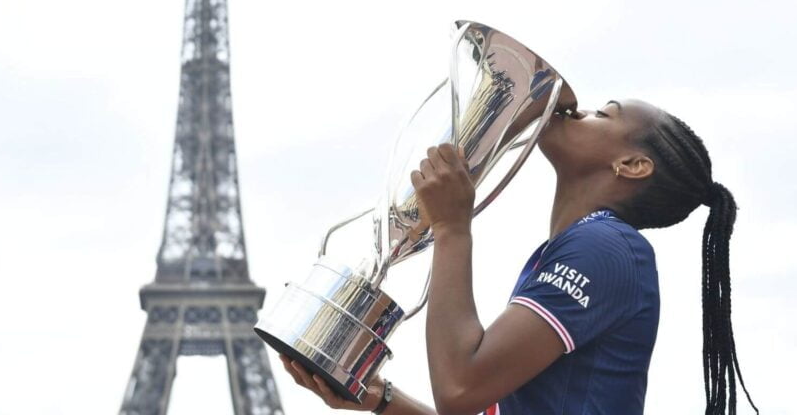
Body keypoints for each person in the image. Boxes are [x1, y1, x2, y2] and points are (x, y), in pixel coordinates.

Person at [280, 95, 759, 415]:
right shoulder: (584, 247)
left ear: (631, 166)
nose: (578, 111)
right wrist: (380, 399)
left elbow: (459, 389)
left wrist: (451, 227)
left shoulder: (607, 247)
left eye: (603, 114)